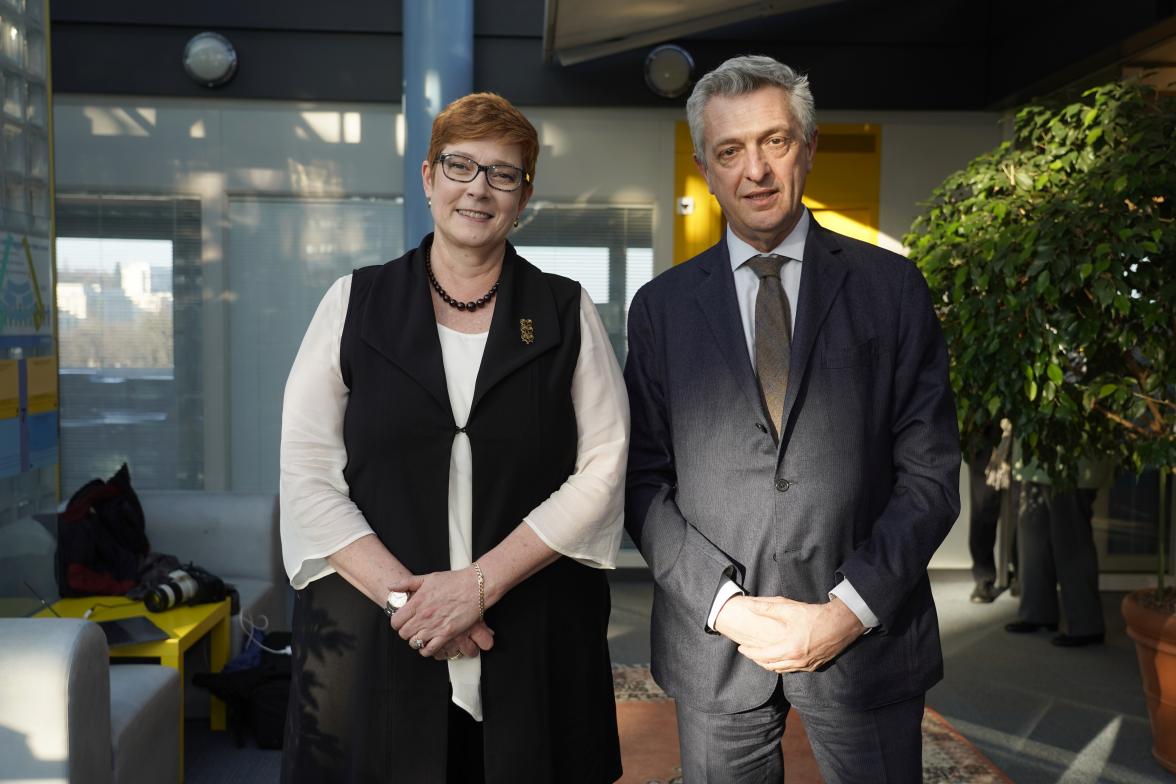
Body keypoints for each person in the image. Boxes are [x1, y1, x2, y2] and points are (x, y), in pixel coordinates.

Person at [624, 55, 961, 782]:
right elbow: (643, 483)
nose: (756, 170)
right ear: (705, 168)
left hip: (865, 639)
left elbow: (930, 476)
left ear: (808, 148)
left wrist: (845, 611)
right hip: (717, 646)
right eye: (730, 151)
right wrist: (727, 609)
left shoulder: (892, 289)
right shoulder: (660, 309)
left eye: (775, 142)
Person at [279, 92, 628, 783]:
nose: (478, 188)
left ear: (524, 195)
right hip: (377, 631)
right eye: (460, 166)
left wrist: (478, 585)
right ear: (428, 177)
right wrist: (414, 604)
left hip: (529, 622)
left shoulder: (563, 309)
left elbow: (605, 464)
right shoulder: (354, 304)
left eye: (502, 174)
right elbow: (307, 472)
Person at [1004, 448, 1107, 647]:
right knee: (1033, 534)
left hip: (1071, 458)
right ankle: (1037, 613)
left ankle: (1086, 625)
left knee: (1071, 535)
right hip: (1033, 458)